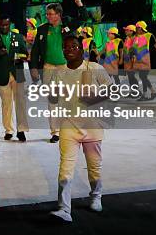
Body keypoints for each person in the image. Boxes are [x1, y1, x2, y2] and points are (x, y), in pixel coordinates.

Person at [50, 35, 112, 222]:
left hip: (93, 126)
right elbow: (53, 99)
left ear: (81, 49)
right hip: (69, 126)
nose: (69, 50)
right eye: (66, 47)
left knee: (94, 168)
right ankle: (64, 209)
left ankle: (96, 196)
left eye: (74, 46)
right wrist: (52, 93)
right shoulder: (59, 71)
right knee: (65, 169)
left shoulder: (94, 68)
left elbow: (111, 90)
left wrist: (94, 99)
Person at [29, 0, 88, 143]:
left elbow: (84, 17)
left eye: (50, 14)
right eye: (47, 14)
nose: (48, 16)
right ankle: (55, 132)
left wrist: (77, 0)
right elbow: (35, 51)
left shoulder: (68, 23)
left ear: (58, 14)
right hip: (48, 68)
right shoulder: (42, 29)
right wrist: (34, 68)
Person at [0, 16, 29, 142]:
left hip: (18, 73)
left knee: (20, 103)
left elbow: (26, 54)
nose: (4, 27)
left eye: (6, 25)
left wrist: (19, 56)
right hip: (2, 73)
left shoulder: (19, 37)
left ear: (10, 25)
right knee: (6, 104)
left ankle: (21, 130)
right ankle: (8, 130)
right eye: (2, 25)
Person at [133, 21, 156, 101]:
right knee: (142, 76)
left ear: (142, 28)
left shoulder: (149, 35)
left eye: (137, 27)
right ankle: (153, 92)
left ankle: (146, 94)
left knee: (143, 76)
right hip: (139, 60)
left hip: (146, 60)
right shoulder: (136, 37)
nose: (136, 29)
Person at [122, 25, 140, 96]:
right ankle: (133, 92)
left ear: (132, 31)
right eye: (125, 30)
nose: (125, 31)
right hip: (127, 60)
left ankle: (136, 92)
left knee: (132, 76)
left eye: (127, 30)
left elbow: (134, 49)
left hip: (132, 59)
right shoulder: (127, 38)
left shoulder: (135, 38)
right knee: (130, 76)